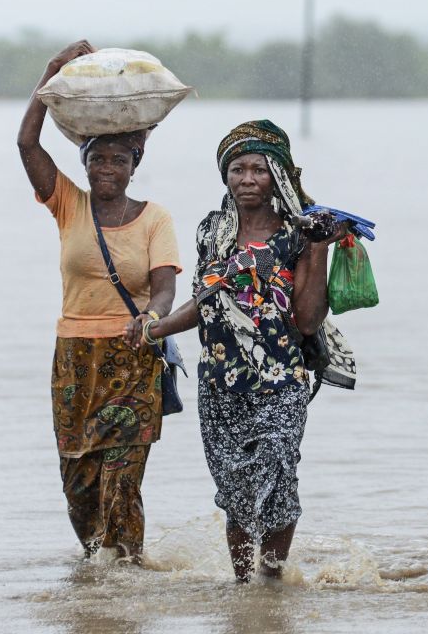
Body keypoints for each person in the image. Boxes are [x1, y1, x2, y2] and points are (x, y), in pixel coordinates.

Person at [132, 120, 353, 581]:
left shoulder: (299, 233)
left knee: (275, 475)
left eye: (258, 169)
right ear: (225, 175)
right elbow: (203, 303)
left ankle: (272, 580)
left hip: (280, 381)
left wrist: (317, 250)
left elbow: (308, 319)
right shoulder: (211, 232)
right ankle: (243, 583)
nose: (247, 179)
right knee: (234, 487)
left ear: (277, 176)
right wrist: (155, 330)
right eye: (237, 169)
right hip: (220, 382)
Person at [16, 41, 182, 563]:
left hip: (132, 357)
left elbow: (165, 288)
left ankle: (127, 575)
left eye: (118, 159)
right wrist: (50, 74)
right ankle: (98, 572)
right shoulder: (69, 204)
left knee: (121, 479)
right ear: (85, 164)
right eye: (98, 159)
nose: (106, 168)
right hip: (73, 361)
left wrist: (153, 319)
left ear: (134, 165)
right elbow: (27, 145)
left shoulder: (155, 218)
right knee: (79, 480)